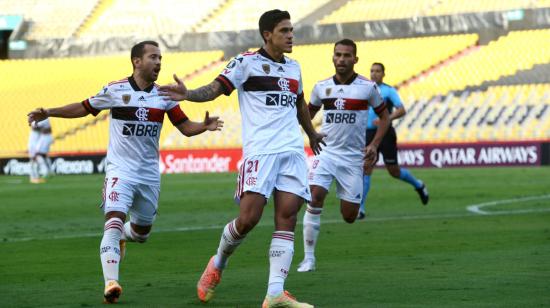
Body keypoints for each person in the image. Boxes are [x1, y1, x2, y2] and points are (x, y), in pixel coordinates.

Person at [27, 40, 223, 304]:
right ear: (137, 61)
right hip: (120, 170)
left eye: (160, 58)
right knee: (114, 218)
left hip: (149, 175)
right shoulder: (116, 90)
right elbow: (83, 108)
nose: (159, 63)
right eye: (153, 57)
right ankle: (111, 281)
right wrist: (49, 111)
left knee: (142, 233)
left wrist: (204, 126)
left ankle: (123, 238)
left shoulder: (164, 96)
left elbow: (185, 127)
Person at [160, 10, 324, 308]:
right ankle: (218, 262)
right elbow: (216, 89)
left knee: (287, 217)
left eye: (291, 30)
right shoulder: (246, 62)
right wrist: (189, 94)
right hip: (260, 153)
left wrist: (311, 134)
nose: (291, 35)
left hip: (291, 153)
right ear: (267, 35)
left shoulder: (294, 68)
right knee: (249, 219)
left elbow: (299, 103)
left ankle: (275, 292)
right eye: (284, 30)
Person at [296, 39, 390, 272]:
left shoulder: (367, 88)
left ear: (355, 59)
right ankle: (308, 258)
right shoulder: (321, 87)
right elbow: (306, 113)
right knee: (315, 196)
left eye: (347, 55)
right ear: (333, 57)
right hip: (325, 152)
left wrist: (374, 145)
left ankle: (347, 204)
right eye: (338, 55)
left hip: (352, 158)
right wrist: (311, 133)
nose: (341, 59)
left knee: (349, 215)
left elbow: (385, 118)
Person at [358, 62, 429, 220]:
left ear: (383, 74)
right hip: (368, 134)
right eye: (372, 71)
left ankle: (419, 185)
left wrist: (387, 119)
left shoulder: (388, 91)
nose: (374, 74)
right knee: (366, 167)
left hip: (386, 134)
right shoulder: (364, 90)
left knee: (394, 171)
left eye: (377, 71)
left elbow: (402, 109)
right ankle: (360, 209)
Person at [28, 118, 53, 183]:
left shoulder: (43, 120)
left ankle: (36, 176)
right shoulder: (38, 121)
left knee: (37, 156)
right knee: (35, 157)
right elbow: (35, 127)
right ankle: (35, 176)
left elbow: (44, 129)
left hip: (37, 140)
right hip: (34, 142)